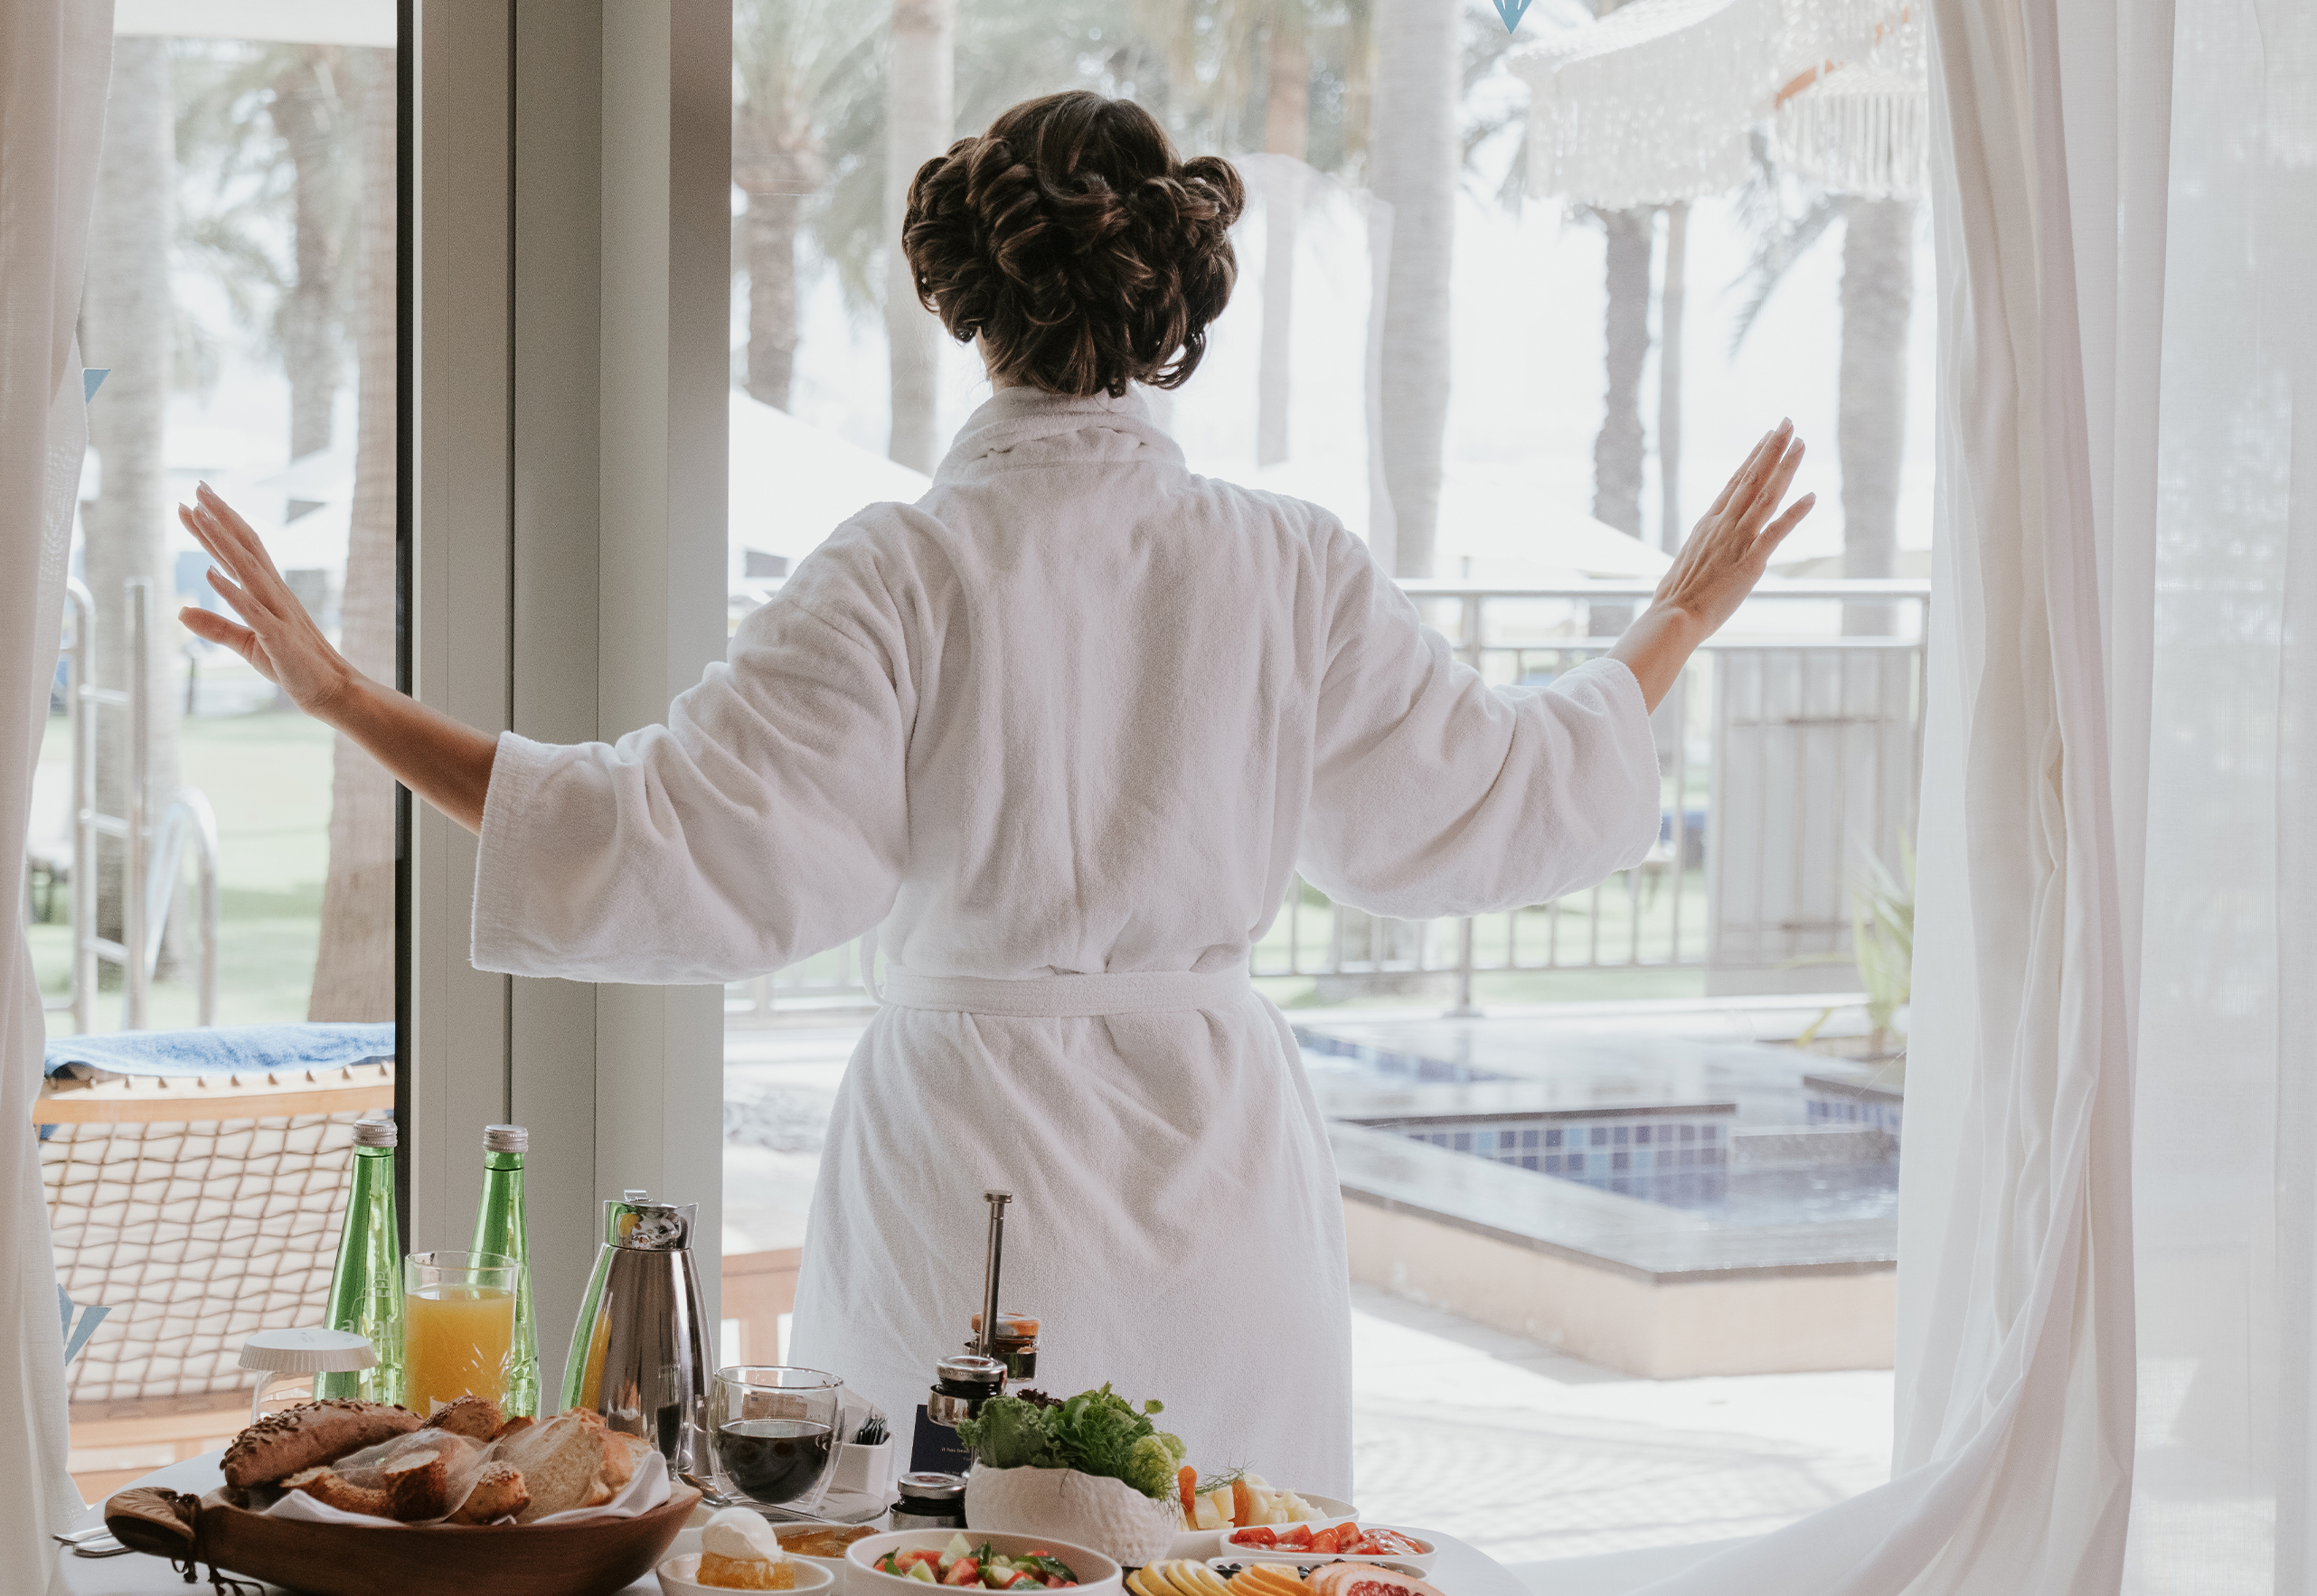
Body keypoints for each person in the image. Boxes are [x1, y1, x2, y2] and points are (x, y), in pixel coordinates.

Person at [174, 91, 1811, 1495]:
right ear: (1172, 301)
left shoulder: (902, 570)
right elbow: (1492, 793)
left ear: (967, 298)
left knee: (933, 1595)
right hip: (1221, 1179)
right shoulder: (1288, 565)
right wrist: (1669, 626)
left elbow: (656, 833)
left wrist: (346, 698)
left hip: (959, 1178)